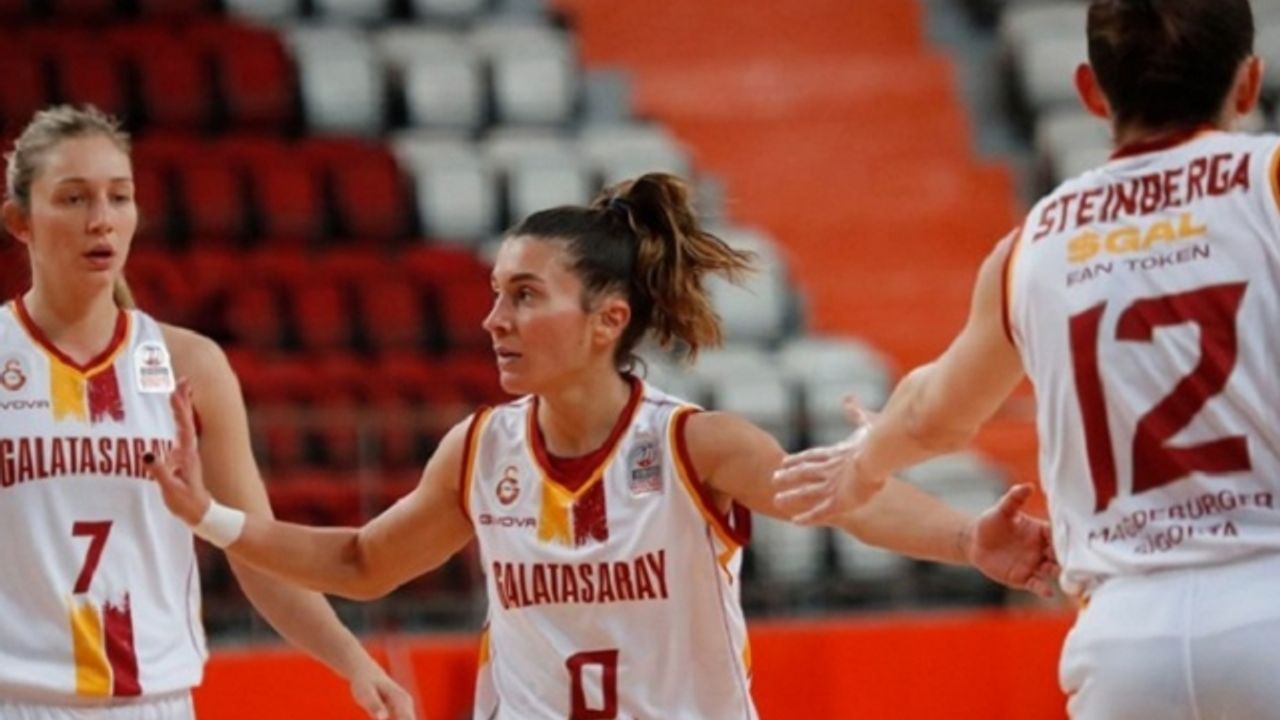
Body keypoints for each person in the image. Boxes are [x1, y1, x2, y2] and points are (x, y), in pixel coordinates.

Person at [146, 172, 1056, 718]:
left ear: (606, 321)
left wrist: (966, 539)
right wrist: (209, 516)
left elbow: (845, 496)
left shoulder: (695, 445)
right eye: (496, 294)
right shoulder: (480, 450)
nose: (493, 319)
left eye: (524, 296)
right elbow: (361, 562)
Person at [773, 0, 1280, 717]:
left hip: (1125, 645)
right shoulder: (1269, 181)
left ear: (1090, 92)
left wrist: (861, 464)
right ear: (1250, 82)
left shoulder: (1035, 244)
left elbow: (932, 417)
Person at [0, 105, 414, 719]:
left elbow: (256, 553)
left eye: (119, 197)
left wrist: (356, 663)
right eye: (73, 198)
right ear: (20, 221)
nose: (101, 219)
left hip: (156, 702)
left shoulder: (190, 365)